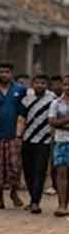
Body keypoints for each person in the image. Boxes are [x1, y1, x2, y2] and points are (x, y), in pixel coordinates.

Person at [0, 63, 27, 209]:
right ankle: (0, 200)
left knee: (14, 166)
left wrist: (19, 133)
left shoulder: (20, 90)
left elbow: (24, 112)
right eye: (1, 72)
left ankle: (14, 193)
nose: (4, 74)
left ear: (12, 73)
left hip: (13, 134)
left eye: (7, 72)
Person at [20, 74, 55, 214]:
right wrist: (19, 136)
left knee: (40, 171)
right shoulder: (26, 99)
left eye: (43, 83)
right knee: (28, 171)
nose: (40, 85)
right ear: (32, 84)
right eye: (37, 83)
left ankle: (35, 202)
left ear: (47, 85)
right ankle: (32, 199)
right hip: (27, 139)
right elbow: (21, 118)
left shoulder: (52, 99)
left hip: (44, 141)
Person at [49, 76, 69, 218]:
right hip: (61, 142)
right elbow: (52, 122)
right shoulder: (56, 103)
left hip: (62, 137)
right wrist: (67, 119)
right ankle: (62, 205)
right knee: (61, 174)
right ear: (62, 86)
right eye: (66, 84)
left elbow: (57, 122)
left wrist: (61, 123)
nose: (68, 87)